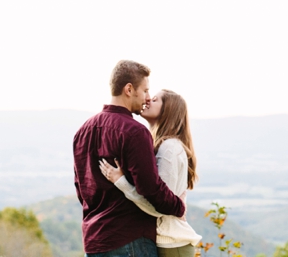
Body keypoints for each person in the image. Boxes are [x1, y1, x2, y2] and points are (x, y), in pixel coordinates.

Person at [73, 60, 186, 256]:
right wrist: (178, 206)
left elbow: (81, 190)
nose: (147, 98)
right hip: (130, 240)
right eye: (145, 91)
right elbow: (150, 188)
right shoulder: (135, 132)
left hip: (94, 241)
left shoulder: (82, 131)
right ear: (129, 89)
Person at [99, 89, 202, 257]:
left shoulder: (169, 148)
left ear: (168, 110)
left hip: (172, 243)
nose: (147, 100)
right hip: (166, 242)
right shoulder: (161, 144)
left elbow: (160, 205)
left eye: (155, 100)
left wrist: (120, 181)